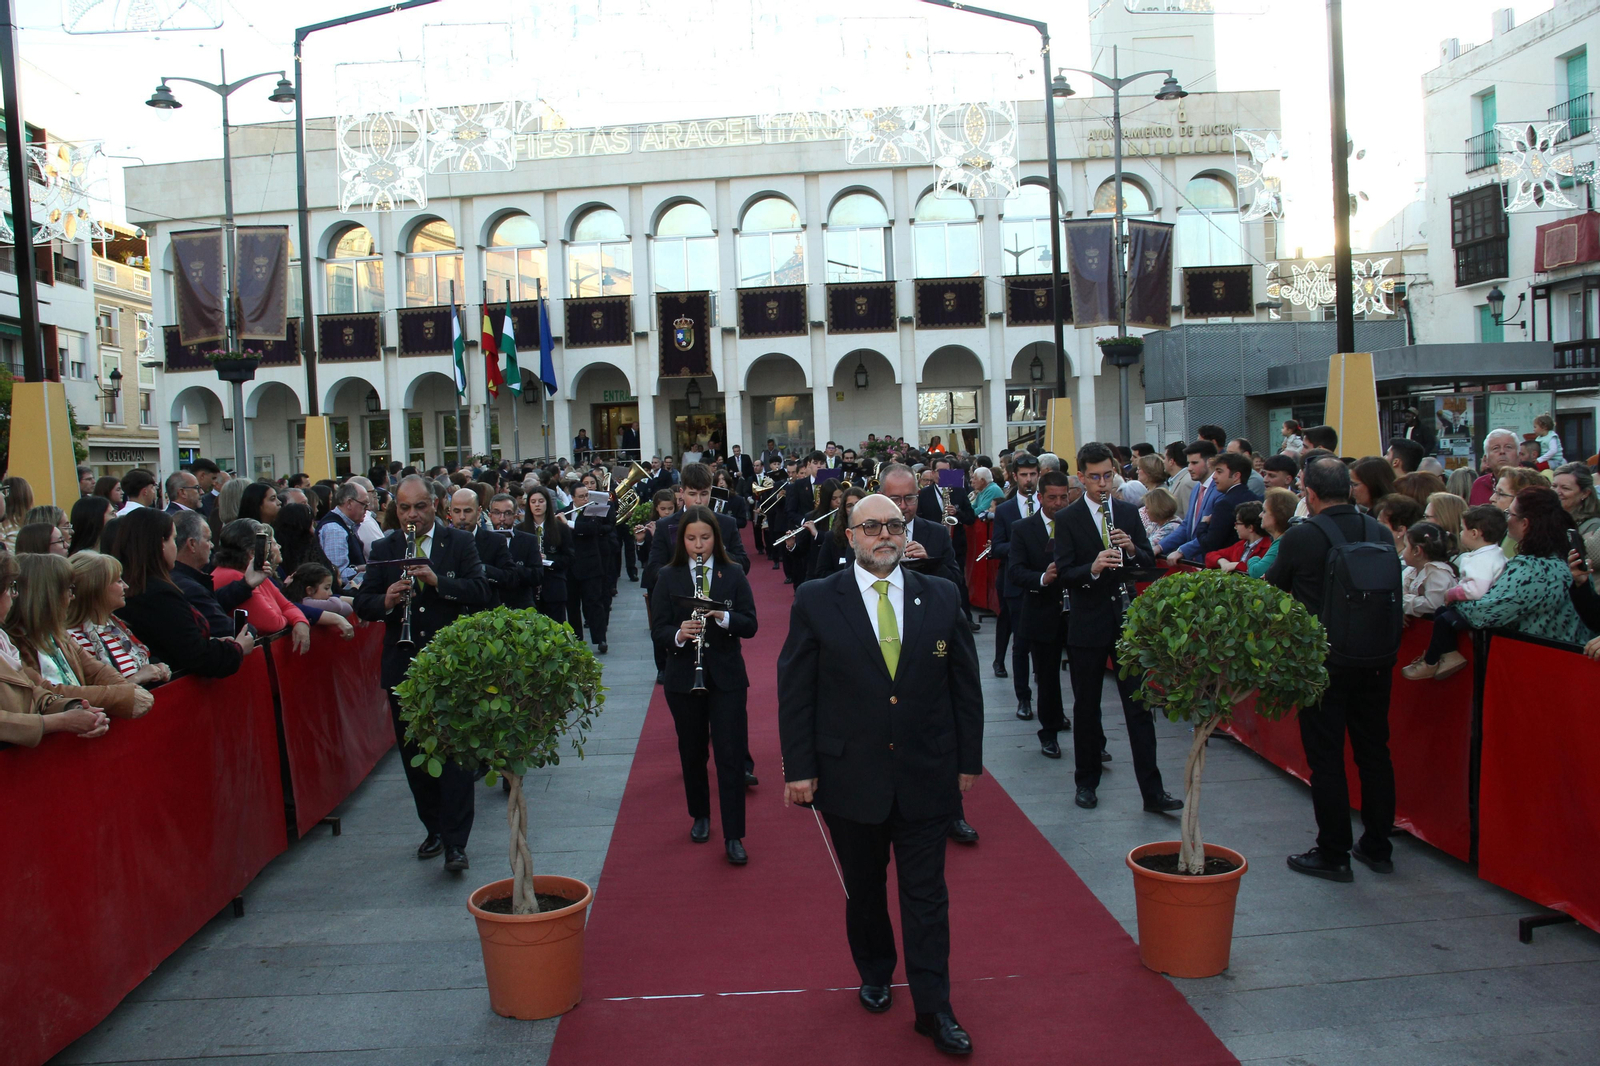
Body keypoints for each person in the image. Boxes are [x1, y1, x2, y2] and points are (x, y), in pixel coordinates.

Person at [777, 493, 982, 1056]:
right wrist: (800, 769)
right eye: (871, 527)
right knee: (864, 891)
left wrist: (968, 760)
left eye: (894, 525)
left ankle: (934, 1008)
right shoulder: (817, 600)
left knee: (927, 898)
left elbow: (965, 684)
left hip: (926, 773)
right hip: (850, 779)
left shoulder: (939, 595)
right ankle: (874, 969)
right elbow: (796, 692)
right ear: (850, 537)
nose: (885, 535)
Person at [1265, 456, 1398, 882]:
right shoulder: (1378, 531)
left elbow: (1274, 590)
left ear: (1310, 492)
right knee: (1374, 752)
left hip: (1321, 662)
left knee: (1327, 759)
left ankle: (1333, 851)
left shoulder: (1303, 537)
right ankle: (1378, 845)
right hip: (1375, 659)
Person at [354, 475, 490, 873]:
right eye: (403, 508)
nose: (411, 515)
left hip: (452, 666)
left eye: (419, 506)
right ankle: (433, 827)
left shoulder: (459, 543)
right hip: (404, 668)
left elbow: (481, 591)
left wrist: (438, 581)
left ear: (436, 505)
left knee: (456, 757)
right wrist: (386, 599)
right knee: (415, 756)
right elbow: (363, 603)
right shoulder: (385, 547)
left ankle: (456, 842)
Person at [1055, 443, 1181, 814]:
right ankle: (1086, 782)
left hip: (1126, 621)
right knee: (1087, 707)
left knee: (1139, 708)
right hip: (1087, 621)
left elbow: (1147, 560)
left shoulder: (1128, 511)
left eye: (1108, 475)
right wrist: (1093, 567)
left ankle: (1153, 792)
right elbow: (1064, 571)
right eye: (1094, 477)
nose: (1102, 483)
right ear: (1081, 477)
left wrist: (1130, 550)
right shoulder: (1068, 519)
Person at [649, 506, 758, 864]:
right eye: (692, 538)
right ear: (682, 540)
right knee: (693, 751)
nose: (699, 545)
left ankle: (734, 835)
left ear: (717, 538)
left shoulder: (734, 572)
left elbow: (750, 624)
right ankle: (700, 815)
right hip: (684, 678)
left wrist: (722, 616)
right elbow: (659, 629)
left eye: (706, 538)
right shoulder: (669, 575)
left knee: (729, 754)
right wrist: (680, 634)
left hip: (726, 677)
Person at [6, 552, 153, 719]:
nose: (72, 596)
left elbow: (98, 672)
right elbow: (49, 691)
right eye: (68, 589)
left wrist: (128, 691)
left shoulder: (57, 634)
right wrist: (122, 695)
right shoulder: (11, 641)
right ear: (48, 595)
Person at [1453, 487, 1593, 646]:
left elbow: (1480, 615)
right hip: (1568, 660)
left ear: (1525, 523)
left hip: (1536, 661)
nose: (1507, 519)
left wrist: (1453, 596)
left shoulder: (1532, 568)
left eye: (1510, 514)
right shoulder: (1568, 557)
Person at [0, 552, 111, 747]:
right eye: (10, 587)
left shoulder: (3, 639)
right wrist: (61, 721)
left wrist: (74, 707)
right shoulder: (17, 638)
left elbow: (35, 693)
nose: (14, 594)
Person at [1006, 470, 1076, 760]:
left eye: (1063, 497)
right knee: (1046, 678)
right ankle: (1049, 734)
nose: (1058, 503)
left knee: (1085, 680)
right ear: (1040, 497)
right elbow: (1016, 571)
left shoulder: (1078, 523)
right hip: (1041, 611)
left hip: (1077, 613)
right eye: (1052, 498)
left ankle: (1094, 738)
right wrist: (1042, 578)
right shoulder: (1023, 528)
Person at [64, 551, 170, 684]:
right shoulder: (74, 640)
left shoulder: (117, 627)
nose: (126, 586)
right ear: (96, 589)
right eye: (119, 580)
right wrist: (138, 677)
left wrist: (157, 668)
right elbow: (95, 696)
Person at [211, 521, 317, 650]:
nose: (270, 549)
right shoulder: (235, 577)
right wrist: (290, 619)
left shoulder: (253, 571)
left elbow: (287, 605)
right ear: (252, 551)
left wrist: (299, 621)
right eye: (267, 543)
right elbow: (272, 624)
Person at [989, 453, 1039, 706]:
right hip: (1016, 583)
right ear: (1015, 477)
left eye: (1032, 475)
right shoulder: (1006, 510)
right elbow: (996, 547)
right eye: (1024, 475)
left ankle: (1049, 703)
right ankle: (1023, 698)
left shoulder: (1047, 505)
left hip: (1044, 583)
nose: (1028, 480)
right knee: (1020, 644)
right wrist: (1020, 546)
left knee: (1044, 645)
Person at [448, 488, 522, 610]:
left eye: (467, 511)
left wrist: (481, 568)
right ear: (450, 512)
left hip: (484, 615)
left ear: (478, 512)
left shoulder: (495, 541)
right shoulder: (442, 541)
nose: (462, 517)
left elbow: (511, 577)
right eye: (457, 511)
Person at [566, 484, 613, 654]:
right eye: (581, 496)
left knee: (594, 603)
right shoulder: (563, 511)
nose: (585, 499)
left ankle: (600, 638)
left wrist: (570, 524)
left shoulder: (594, 510)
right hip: (570, 566)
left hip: (590, 565)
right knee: (572, 606)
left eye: (587, 496)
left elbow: (592, 529)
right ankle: (576, 640)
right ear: (572, 497)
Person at [521, 486, 571, 624]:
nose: (537, 505)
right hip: (530, 589)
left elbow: (569, 557)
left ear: (547, 503)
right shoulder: (520, 529)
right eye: (533, 501)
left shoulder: (560, 528)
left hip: (554, 586)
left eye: (541, 501)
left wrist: (548, 559)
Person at [486, 493, 541, 611]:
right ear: (490, 515)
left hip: (520, 605)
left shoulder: (528, 540)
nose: (502, 518)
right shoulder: (481, 539)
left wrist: (509, 569)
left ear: (515, 516)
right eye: (497, 513)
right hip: (489, 606)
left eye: (507, 513)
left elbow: (537, 575)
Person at [1552, 462, 1600, 576]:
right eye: (1554, 486)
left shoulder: (1593, 525)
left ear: (1585, 493)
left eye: (1565, 488)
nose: (1557, 492)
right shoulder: (1550, 518)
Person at [317, 483, 370, 587]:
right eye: (364, 504)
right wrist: (361, 569)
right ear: (349, 503)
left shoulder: (344, 525)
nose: (367, 509)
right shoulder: (335, 530)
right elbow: (338, 575)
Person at [1400, 522, 1456, 618]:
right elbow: (1400, 592)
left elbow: (1434, 605)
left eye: (1405, 546)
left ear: (1417, 551)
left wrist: (1405, 601)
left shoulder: (1437, 573)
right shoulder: (1412, 570)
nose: (1403, 551)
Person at [1244, 487, 1300, 579]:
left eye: (1264, 511)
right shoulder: (1281, 539)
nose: (1260, 515)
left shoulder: (1282, 541)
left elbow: (1256, 572)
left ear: (1278, 516)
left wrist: (1253, 559)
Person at [1209, 500, 1272, 571]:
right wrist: (1221, 560)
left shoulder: (1269, 548)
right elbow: (1210, 556)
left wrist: (1237, 565)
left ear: (1250, 527)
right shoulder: (1241, 545)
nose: (1235, 527)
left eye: (1238, 523)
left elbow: (1261, 570)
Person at [1470, 429, 1521, 505]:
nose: (1502, 452)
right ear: (1486, 459)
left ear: (1519, 455)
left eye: (1508, 447)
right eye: (1496, 448)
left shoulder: (1533, 482)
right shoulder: (1479, 485)